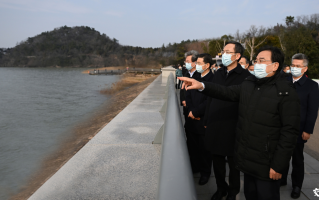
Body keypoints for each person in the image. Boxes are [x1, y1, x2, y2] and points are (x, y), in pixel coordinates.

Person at [178, 46, 300, 200]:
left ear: (275, 65)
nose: (257, 64)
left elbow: (290, 132)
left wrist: (278, 165)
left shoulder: (286, 92)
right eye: (256, 61)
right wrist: (202, 85)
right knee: (250, 194)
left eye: (262, 61)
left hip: (268, 162)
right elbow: (226, 92)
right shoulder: (250, 84)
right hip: (248, 159)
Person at [203, 41, 251, 200]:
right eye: (223, 51)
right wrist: (207, 119)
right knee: (217, 163)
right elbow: (211, 97)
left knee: (234, 164)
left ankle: (233, 191)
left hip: (233, 125)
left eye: (227, 51)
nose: (223, 54)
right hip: (215, 123)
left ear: (237, 56)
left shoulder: (246, 77)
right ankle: (220, 188)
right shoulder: (218, 73)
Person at [281, 53, 319, 199]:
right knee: (282, 155)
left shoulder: (311, 86)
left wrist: (308, 130)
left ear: (305, 68)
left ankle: (297, 186)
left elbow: (312, 110)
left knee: (297, 158)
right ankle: (282, 179)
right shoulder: (284, 80)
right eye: (293, 65)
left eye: (298, 66)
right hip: (281, 126)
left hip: (298, 128)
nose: (294, 68)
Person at [185, 53, 214, 185]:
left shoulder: (213, 80)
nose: (197, 65)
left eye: (200, 63)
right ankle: (195, 167)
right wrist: (191, 111)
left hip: (203, 121)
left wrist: (196, 112)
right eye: (196, 63)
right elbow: (188, 95)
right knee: (192, 147)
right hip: (191, 119)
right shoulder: (195, 77)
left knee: (204, 150)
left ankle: (205, 173)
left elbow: (209, 101)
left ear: (207, 65)